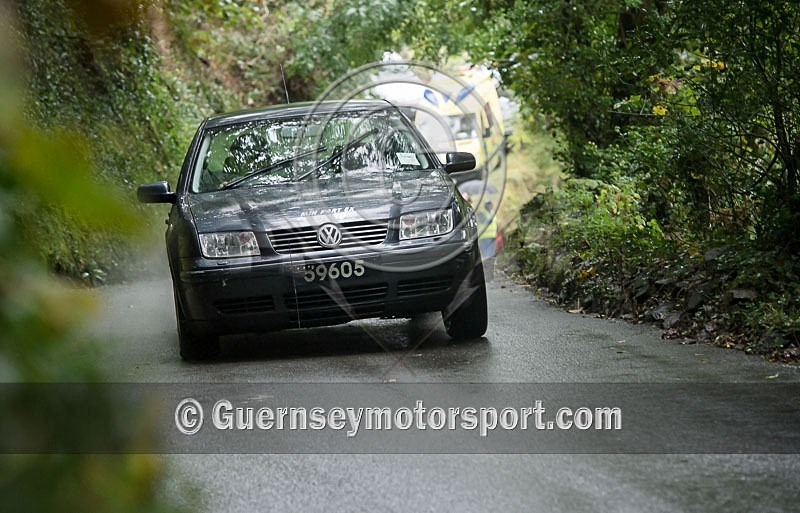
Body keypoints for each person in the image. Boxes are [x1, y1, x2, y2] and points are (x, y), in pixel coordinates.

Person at [477, 198, 498, 281]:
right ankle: (486, 276)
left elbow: (495, 225)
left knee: (491, 256)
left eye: (490, 204)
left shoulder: (492, 213)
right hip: (484, 238)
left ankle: (490, 275)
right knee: (486, 256)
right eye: (487, 204)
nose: (489, 205)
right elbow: (486, 222)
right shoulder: (481, 213)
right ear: (485, 205)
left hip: (492, 237)